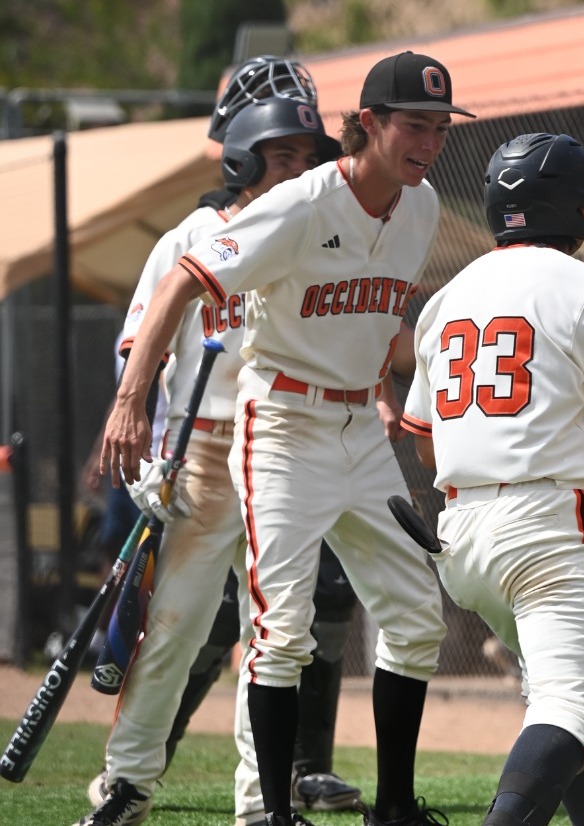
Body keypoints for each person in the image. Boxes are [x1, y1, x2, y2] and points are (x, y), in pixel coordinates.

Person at [99, 50, 468, 826]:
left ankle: (394, 806)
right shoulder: (299, 205)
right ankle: (258, 809)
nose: (430, 142)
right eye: (415, 125)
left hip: (357, 431)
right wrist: (133, 405)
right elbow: (177, 284)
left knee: (414, 611)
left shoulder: (424, 205)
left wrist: (392, 392)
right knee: (273, 625)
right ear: (367, 124)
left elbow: (376, 319)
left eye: (440, 128)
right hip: (281, 427)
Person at [77, 93, 343, 826]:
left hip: (285, 442)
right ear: (243, 157)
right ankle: (127, 783)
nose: (298, 166)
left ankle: (260, 801)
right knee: (176, 626)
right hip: (206, 446)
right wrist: (148, 432)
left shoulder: (317, 232)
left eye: (307, 155)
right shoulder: (193, 235)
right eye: (282, 153)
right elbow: (141, 340)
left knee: (276, 631)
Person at [401, 131, 584, 826]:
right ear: (573, 208)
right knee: (571, 703)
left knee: (550, 690)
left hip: (462, 537)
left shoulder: (446, 297)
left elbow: (424, 446)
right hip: (546, 525)